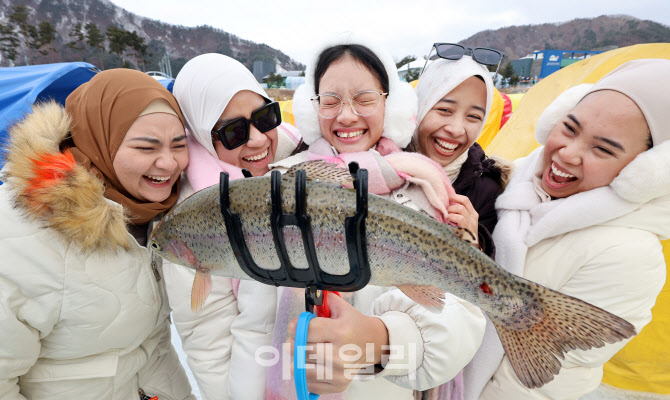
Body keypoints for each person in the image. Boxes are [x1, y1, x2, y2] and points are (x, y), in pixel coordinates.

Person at [267, 35, 486, 399]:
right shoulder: (280, 186)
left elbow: (458, 314)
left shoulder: (425, 188)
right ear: (312, 108)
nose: (347, 115)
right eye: (331, 100)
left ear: (392, 105)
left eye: (365, 99)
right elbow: (249, 319)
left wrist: (382, 343)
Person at [462, 59, 670, 400]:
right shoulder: (516, 183)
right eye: (570, 128)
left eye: (602, 148)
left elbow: (540, 381)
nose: (568, 153)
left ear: (645, 170)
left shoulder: (630, 256)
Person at [0, 69, 195, 399]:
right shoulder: (21, 233)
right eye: (146, 148)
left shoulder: (150, 214)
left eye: (178, 145)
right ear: (98, 140)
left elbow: (151, 347)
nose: (168, 163)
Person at [162, 53, 303, 400]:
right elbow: (208, 343)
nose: (256, 140)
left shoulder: (306, 159)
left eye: (265, 116)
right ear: (200, 133)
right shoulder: (194, 218)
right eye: (233, 131)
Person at [412, 52, 511, 258]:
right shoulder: (380, 165)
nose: (456, 129)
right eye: (445, 110)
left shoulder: (485, 189)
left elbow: (484, 282)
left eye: (473, 117)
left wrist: (473, 243)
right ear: (421, 106)